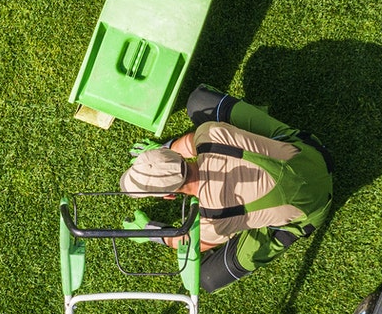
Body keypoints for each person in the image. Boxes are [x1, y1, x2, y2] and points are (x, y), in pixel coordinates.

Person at [118, 85, 334, 293]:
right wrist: (164, 152)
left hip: (314, 209)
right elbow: (190, 142)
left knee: (206, 277)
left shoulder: (214, 220)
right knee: (198, 102)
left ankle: (285, 227)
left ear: (169, 196)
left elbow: (187, 242)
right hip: (313, 155)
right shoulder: (210, 135)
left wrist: (153, 232)